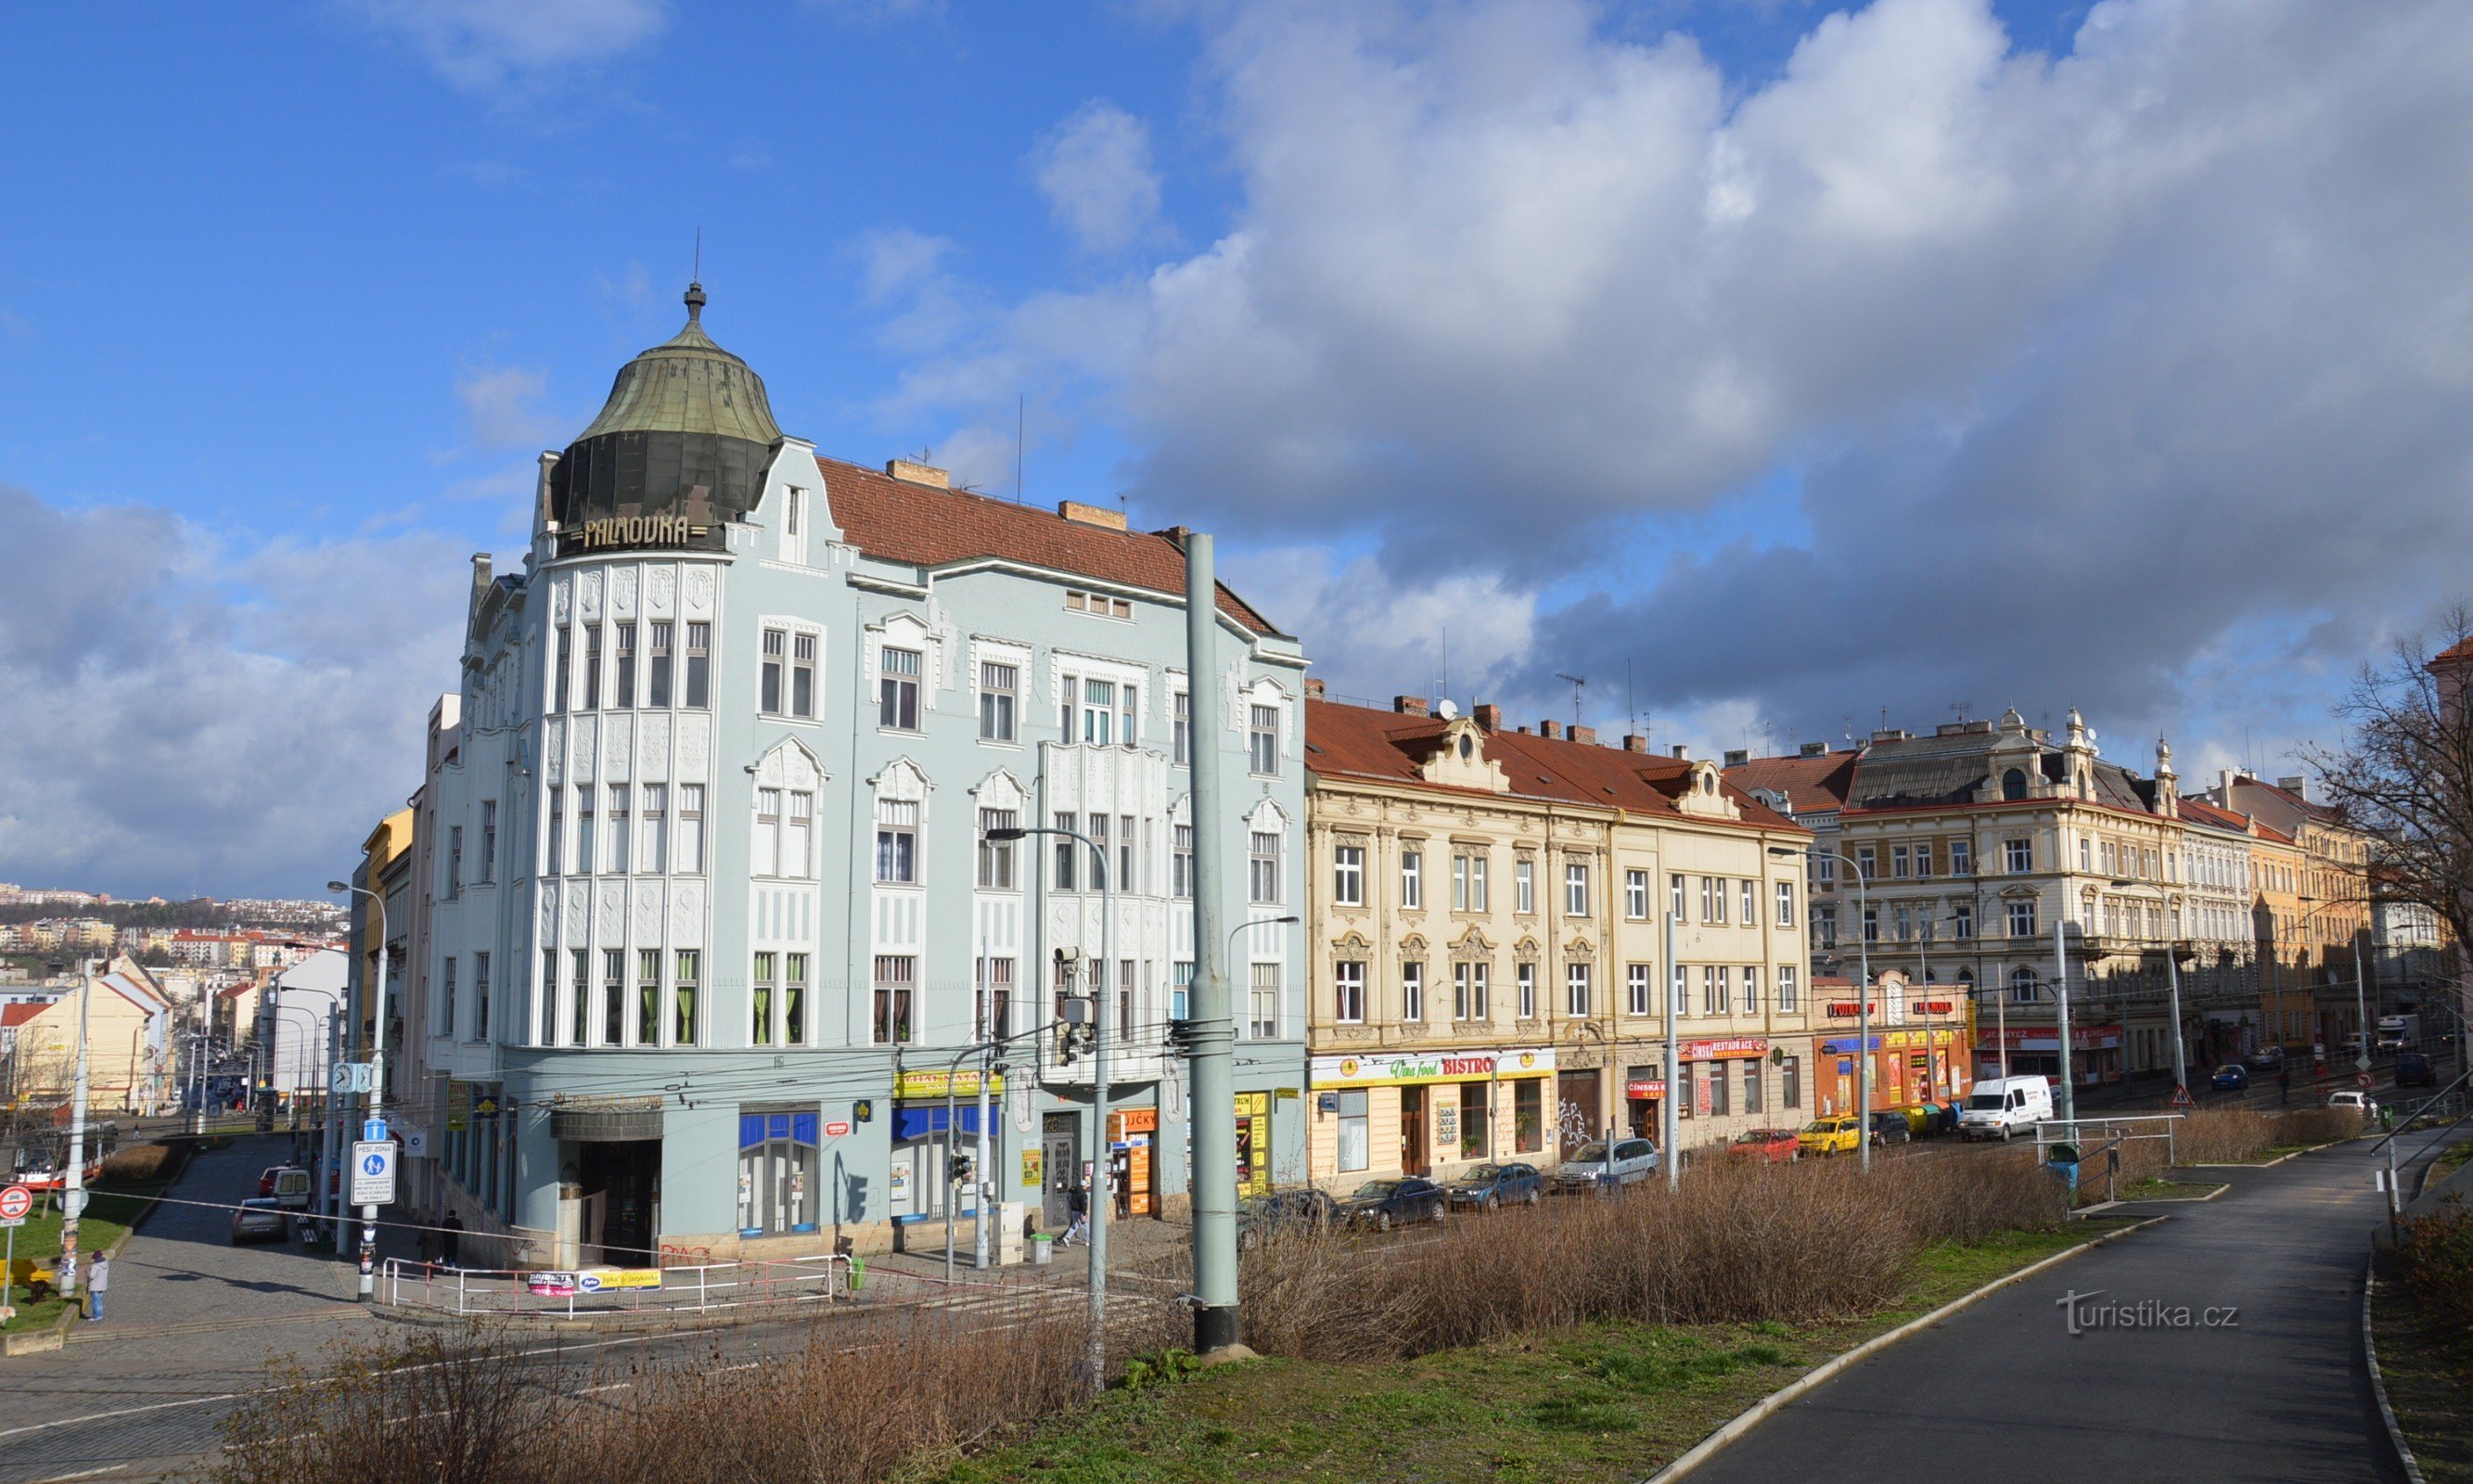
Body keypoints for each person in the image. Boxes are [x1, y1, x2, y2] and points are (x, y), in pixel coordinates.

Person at [83, 1251, 109, 1324]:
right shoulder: (105, 1263)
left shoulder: (95, 1266)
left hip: (95, 1286)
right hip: (102, 1285)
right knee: (99, 1301)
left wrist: (88, 1271)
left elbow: (91, 1276)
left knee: (95, 1302)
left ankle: (96, 1316)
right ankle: (100, 1315)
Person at [1061, 1182, 1089, 1247]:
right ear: (1084, 1186)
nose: (1087, 1187)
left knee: (1074, 1226)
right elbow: (1084, 1204)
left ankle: (1067, 1238)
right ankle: (1087, 1241)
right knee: (1085, 1226)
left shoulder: (1075, 1192)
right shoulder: (1083, 1194)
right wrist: (1084, 1214)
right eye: (1086, 1186)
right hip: (1080, 1212)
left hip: (1074, 1211)